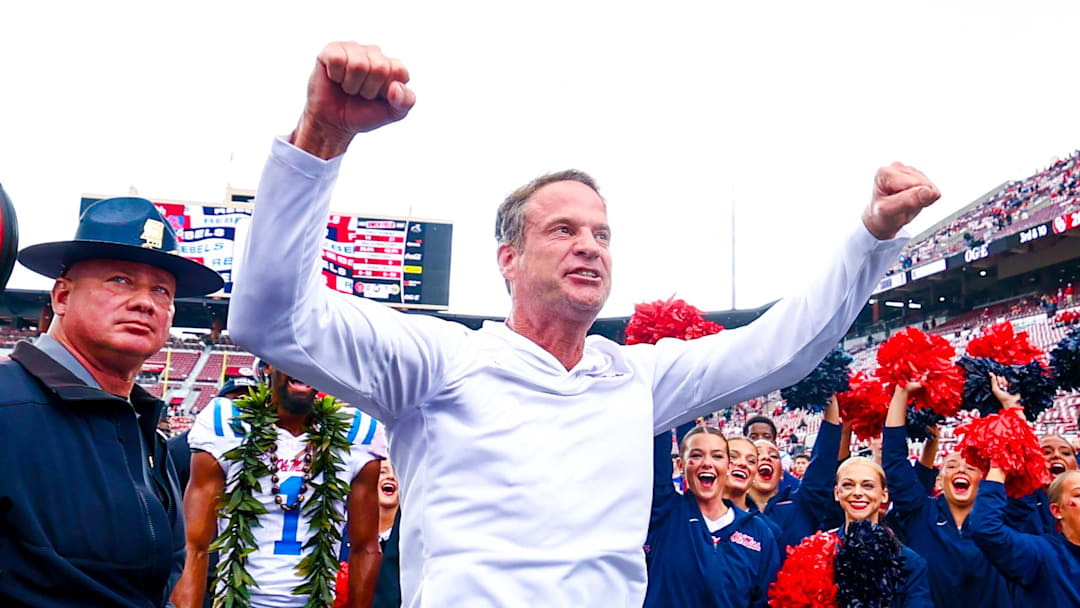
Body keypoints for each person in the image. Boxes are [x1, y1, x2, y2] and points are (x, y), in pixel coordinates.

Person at [227, 40, 938, 605]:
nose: (589, 246)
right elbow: (270, 318)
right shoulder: (438, 362)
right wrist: (320, 138)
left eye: (602, 234)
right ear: (508, 258)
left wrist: (870, 239)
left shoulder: (636, 378)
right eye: (563, 230)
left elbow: (781, 349)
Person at [0, 197, 224, 607]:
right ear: (62, 297)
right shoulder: (6, 405)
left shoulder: (142, 429)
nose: (146, 302)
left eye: (162, 290)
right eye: (121, 280)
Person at [170, 365, 387, 608]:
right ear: (267, 364)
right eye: (291, 351)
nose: (304, 361)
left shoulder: (356, 434)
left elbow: (365, 547)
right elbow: (193, 544)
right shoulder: (226, 424)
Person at [882, 382, 1011, 608]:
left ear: (985, 480)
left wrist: (1004, 404)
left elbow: (1006, 454)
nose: (961, 469)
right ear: (939, 480)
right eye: (951, 466)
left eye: (971, 467)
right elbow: (894, 462)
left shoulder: (997, 519)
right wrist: (901, 393)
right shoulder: (920, 513)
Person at [645, 424, 780, 608]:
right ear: (680, 465)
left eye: (717, 456)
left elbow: (765, 602)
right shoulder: (665, 512)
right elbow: (656, 439)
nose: (707, 463)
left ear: (728, 466)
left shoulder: (760, 533)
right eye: (696, 455)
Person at [831, 457, 933, 607]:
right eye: (848, 485)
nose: (857, 492)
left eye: (868, 486)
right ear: (836, 493)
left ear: (884, 495)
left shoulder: (910, 563)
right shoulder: (817, 554)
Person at [970, 466, 1080, 604]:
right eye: (1079, 495)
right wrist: (998, 464)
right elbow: (986, 528)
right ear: (1057, 510)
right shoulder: (1041, 553)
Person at [749, 397, 847, 550]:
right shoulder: (727, 512)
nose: (766, 457)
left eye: (773, 455)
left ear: (782, 472)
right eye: (755, 456)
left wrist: (830, 396)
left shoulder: (801, 504)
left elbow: (823, 460)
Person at [168, 376, 259, 493]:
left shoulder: (270, 446)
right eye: (237, 400)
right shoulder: (177, 447)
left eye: (252, 400)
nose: (244, 407)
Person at [372, 459, 402, 608]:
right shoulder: (348, 535)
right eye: (382, 472)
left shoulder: (411, 537)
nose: (390, 476)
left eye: (396, 472)